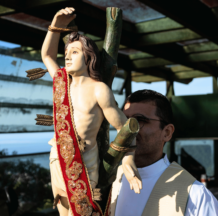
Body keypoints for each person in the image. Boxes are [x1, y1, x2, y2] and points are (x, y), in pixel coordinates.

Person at [41, 7, 142, 216]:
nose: (67, 57)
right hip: (57, 158)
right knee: (62, 208)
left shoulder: (99, 89)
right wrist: (55, 24)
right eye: (66, 53)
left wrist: (128, 160)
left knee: (84, 212)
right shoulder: (63, 83)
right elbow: (47, 55)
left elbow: (125, 129)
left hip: (84, 164)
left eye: (74, 52)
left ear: (88, 57)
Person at [110, 90, 218, 216]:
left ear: (167, 132)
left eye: (139, 120)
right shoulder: (107, 180)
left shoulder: (195, 195)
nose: (128, 129)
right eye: (124, 120)